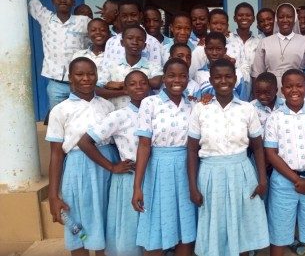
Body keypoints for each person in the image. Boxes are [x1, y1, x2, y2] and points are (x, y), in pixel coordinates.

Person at [187, 58, 269, 255]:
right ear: (211, 80)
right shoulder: (200, 108)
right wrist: (192, 186)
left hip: (241, 171)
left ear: (235, 79)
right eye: (218, 77)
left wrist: (262, 179)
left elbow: (258, 148)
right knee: (216, 223)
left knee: (241, 223)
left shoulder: (247, 109)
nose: (223, 81)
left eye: (228, 76)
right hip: (210, 173)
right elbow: (191, 150)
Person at [46, 57, 118, 256]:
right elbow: (56, 154)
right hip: (78, 171)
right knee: (78, 223)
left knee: (104, 220)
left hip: (106, 167)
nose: (86, 78)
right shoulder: (60, 111)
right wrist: (53, 195)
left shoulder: (107, 107)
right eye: (79, 74)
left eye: (91, 73)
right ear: (70, 78)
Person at [77, 70, 149, 256]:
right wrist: (111, 166)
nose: (138, 87)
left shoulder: (156, 112)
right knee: (129, 230)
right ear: (125, 89)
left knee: (150, 231)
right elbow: (85, 142)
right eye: (132, 84)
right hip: (129, 178)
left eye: (143, 83)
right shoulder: (120, 116)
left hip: (153, 175)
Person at [132, 58, 197, 256]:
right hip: (159, 168)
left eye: (182, 76)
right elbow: (144, 146)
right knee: (156, 224)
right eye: (171, 75)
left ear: (188, 78)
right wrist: (137, 186)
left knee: (185, 224)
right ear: (163, 77)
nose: (177, 80)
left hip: (187, 167)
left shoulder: (193, 104)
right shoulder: (149, 103)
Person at [264, 69, 305, 256]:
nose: (295, 90)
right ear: (282, 90)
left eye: (299, 85)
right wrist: (296, 180)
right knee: (279, 233)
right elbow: (271, 153)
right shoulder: (275, 118)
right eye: (289, 86)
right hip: (284, 183)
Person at [27, 0, 91, 109]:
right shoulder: (46, 18)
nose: (63, 0)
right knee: (58, 121)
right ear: (53, 1)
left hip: (80, 84)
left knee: (81, 120)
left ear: (73, 2)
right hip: (56, 85)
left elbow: (100, 37)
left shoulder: (84, 21)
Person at [252, 3, 305, 95]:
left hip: (296, 89)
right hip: (270, 90)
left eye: (289, 17)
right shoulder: (264, 42)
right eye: (281, 17)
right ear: (276, 19)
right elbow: (257, 73)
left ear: (295, 18)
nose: (285, 20)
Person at [98, 25, 162, 110]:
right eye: (130, 38)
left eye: (140, 39)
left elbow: (156, 83)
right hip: (116, 116)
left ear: (144, 45)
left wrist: (121, 85)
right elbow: (97, 90)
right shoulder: (111, 66)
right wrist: (124, 91)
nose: (134, 42)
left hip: (144, 116)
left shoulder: (153, 66)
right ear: (122, 43)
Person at [102, 0, 163, 68]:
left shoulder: (153, 42)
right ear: (119, 17)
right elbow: (105, 72)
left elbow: (156, 74)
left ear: (140, 15)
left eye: (133, 15)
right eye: (124, 16)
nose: (129, 19)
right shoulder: (111, 42)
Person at [193, 32, 249, 100]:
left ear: (225, 50)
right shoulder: (199, 74)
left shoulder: (237, 73)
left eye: (218, 49)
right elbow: (196, 100)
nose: (214, 53)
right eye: (210, 49)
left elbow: (243, 101)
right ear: (205, 50)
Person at [227, 2, 260, 83]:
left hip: (254, 87)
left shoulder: (259, 42)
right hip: (231, 87)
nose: (244, 18)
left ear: (253, 19)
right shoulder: (226, 39)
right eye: (240, 15)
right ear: (235, 18)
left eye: (248, 15)